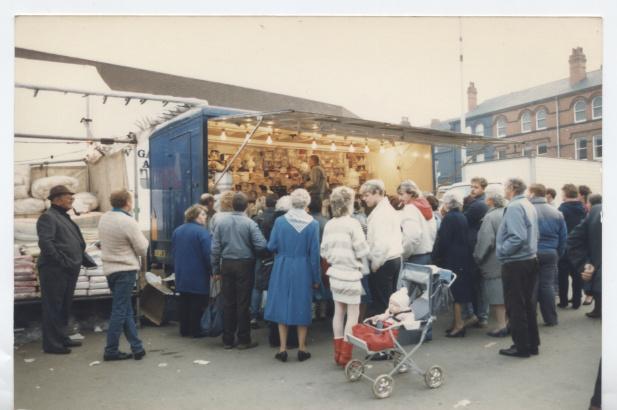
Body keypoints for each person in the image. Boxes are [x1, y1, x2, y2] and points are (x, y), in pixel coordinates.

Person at [265, 189, 321, 362]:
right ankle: (302, 348)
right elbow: (314, 254)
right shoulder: (313, 224)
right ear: (307, 203)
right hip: (302, 266)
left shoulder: (280, 222)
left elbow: (271, 245)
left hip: (282, 265)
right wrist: (316, 278)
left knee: (282, 303)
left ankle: (282, 348)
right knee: (302, 304)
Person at [37, 185, 90, 354]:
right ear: (57, 199)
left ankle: (61, 338)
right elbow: (46, 243)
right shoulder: (48, 217)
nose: (72, 200)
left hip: (67, 269)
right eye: (69, 197)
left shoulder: (63, 216)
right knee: (54, 306)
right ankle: (52, 344)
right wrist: (62, 261)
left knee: (64, 306)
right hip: (55, 270)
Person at [320, 186, 370, 366]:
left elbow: (323, 251)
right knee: (353, 315)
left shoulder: (329, 225)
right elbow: (363, 249)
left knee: (338, 313)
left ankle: (338, 353)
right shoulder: (353, 223)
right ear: (349, 203)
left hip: (335, 273)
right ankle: (346, 355)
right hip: (350, 274)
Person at [211, 192, 267, 350]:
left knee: (228, 301)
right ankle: (243, 339)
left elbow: (215, 248)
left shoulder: (221, 223)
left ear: (232, 205)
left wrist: (215, 268)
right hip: (245, 264)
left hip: (226, 263)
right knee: (243, 302)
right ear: (247, 206)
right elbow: (261, 245)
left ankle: (227, 339)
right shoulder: (250, 223)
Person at [98, 190, 149, 361]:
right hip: (125, 269)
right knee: (120, 310)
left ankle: (137, 347)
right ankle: (110, 350)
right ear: (127, 202)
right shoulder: (127, 221)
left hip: (110, 269)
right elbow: (142, 248)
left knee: (126, 308)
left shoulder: (104, 218)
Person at [496, 178, 540, 358]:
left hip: (516, 262)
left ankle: (521, 346)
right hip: (529, 259)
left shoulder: (515, 206)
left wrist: (503, 251)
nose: (503, 191)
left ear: (512, 188)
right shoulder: (527, 204)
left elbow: (517, 237)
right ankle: (531, 344)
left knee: (516, 306)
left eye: (504, 187)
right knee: (528, 304)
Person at [566, 203, 602, 410]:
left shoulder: (598, 210)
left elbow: (574, 240)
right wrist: (586, 264)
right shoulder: (599, 211)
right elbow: (574, 240)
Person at [432, 191, 474, 338]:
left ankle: (459, 325)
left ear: (447, 204)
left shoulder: (449, 218)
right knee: (458, 292)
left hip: (452, 259)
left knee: (455, 293)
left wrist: (436, 257)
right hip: (462, 257)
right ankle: (457, 323)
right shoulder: (461, 216)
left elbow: (443, 240)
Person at [359, 180, 403, 317]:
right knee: (387, 300)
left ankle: (383, 335)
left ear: (377, 192)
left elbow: (381, 243)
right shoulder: (387, 209)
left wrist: (375, 264)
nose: (364, 199)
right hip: (393, 258)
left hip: (384, 261)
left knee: (382, 303)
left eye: (366, 195)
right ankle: (388, 333)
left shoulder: (381, 213)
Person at [528, 184, 567, 326]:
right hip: (551, 252)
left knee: (531, 286)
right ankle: (551, 319)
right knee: (547, 286)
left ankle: (531, 318)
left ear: (532, 193)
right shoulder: (556, 212)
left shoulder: (527, 210)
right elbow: (563, 237)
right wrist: (558, 253)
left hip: (531, 252)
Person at [171, 204, 212, 338]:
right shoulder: (202, 232)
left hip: (182, 271)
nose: (205, 217)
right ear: (195, 216)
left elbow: (174, 251)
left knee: (184, 300)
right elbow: (208, 254)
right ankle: (195, 330)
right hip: (198, 271)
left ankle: (184, 329)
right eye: (203, 214)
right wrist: (213, 269)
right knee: (197, 301)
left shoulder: (177, 230)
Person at [473, 185, 508, 337]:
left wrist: (477, 257)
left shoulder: (490, 217)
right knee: (506, 296)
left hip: (493, 263)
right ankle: (506, 324)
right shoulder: (507, 213)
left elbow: (486, 241)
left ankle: (501, 326)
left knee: (497, 297)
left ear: (490, 200)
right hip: (508, 260)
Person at [463, 177, 490, 328]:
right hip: (478, 245)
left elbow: (463, 221)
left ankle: (481, 315)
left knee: (478, 284)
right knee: (479, 284)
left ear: (483, 188)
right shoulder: (478, 203)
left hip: (476, 246)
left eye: (476, 187)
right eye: (471, 186)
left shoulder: (478, 205)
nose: (472, 189)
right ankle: (482, 315)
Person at [250, 193, 279, 328]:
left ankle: (254, 316)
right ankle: (269, 314)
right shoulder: (279, 218)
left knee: (257, 286)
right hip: (274, 254)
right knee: (273, 285)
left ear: (266, 204)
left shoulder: (257, 218)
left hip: (260, 255)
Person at [557, 184, 587, 309]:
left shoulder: (561, 209)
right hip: (580, 247)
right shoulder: (584, 208)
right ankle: (576, 301)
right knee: (577, 275)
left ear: (565, 194)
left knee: (562, 276)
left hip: (565, 245)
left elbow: (558, 228)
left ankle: (563, 301)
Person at [397, 180, 437, 266]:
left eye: (401, 194)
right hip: (428, 256)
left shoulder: (410, 208)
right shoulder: (427, 206)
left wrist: (403, 254)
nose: (399, 198)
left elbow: (411, 237)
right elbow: (433, 232)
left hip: (415, 259)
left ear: (410, 193)